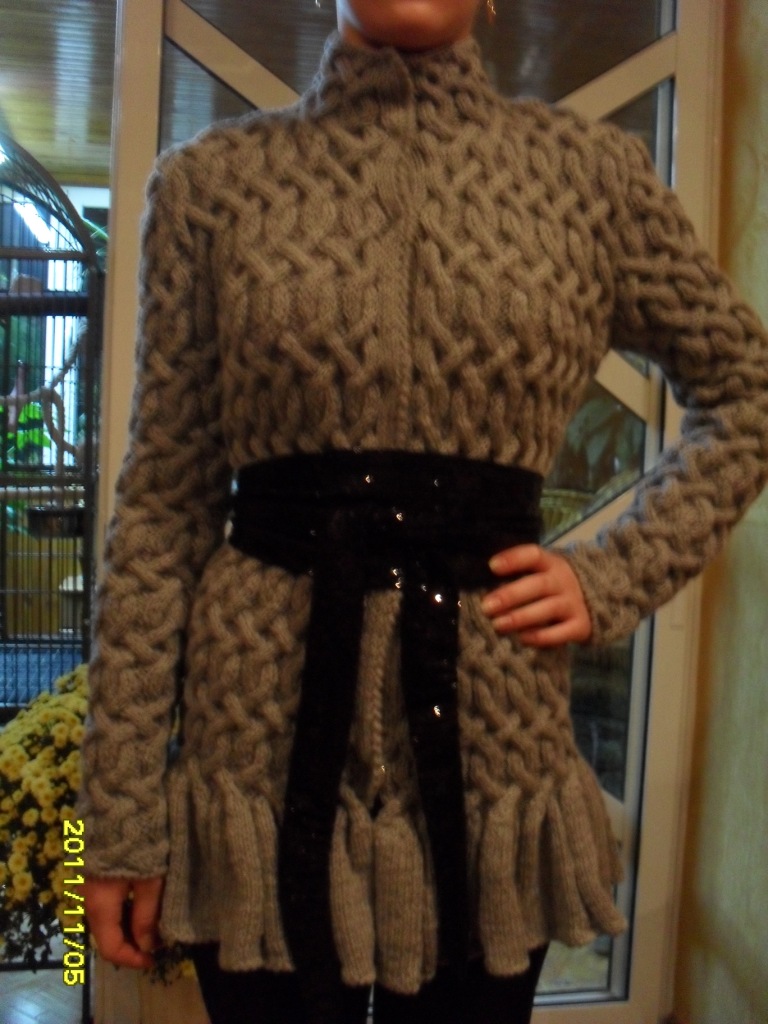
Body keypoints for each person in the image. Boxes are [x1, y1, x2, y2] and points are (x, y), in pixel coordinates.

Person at [79, 1, 768, 1022]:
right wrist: (108, 827)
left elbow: (747, 392)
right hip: (253, 754)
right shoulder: (206, 186)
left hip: (493, 751)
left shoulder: (592, 180)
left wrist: (612, 574)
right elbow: (160, 511)